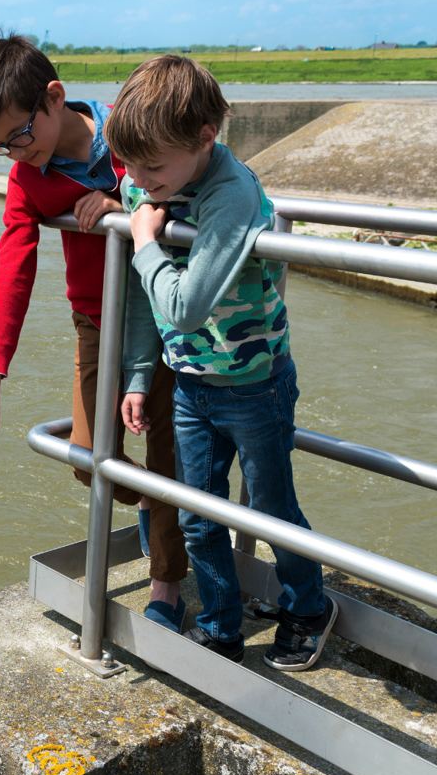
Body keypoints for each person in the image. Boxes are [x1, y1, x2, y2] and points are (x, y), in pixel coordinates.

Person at [107, 55, 337, 671]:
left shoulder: (231, 193)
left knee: (268, 505)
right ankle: (219, 625)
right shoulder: (142, 185)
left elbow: (181, 306)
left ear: (206, 138)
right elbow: (139, 299)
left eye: (152, 166)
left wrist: (146, 242)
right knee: (197, 512)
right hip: (187, 381)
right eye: (129, 164)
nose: (137, 179)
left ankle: (308, 606)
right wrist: (136, 375)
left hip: (253, 383)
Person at [0, 33, 188, 630]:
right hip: (95, 321)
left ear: (54, 98)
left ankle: (166, 585)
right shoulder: (27, 179)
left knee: (166, 445)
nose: (12, 155)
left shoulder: (132, 134)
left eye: (17, 136)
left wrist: (120, 204)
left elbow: (184, 188)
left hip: (165, 312)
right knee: (90, 458)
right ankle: (154, 507)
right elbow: (13, 273)